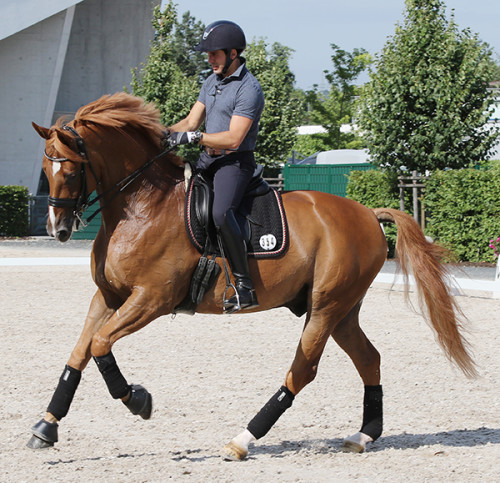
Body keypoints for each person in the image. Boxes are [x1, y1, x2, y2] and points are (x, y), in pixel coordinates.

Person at [167, 20, 265, 313]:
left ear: (233, 53)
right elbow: (189, 122)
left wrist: (194, 137)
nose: (209, 59)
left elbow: (234, 138)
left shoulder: (250, 89)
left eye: (214, 54)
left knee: (220, 214)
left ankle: (245, 286)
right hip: (208, 160)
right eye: (208, 54)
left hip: (234, 163)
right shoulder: (211, 81)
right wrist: (159, 135)